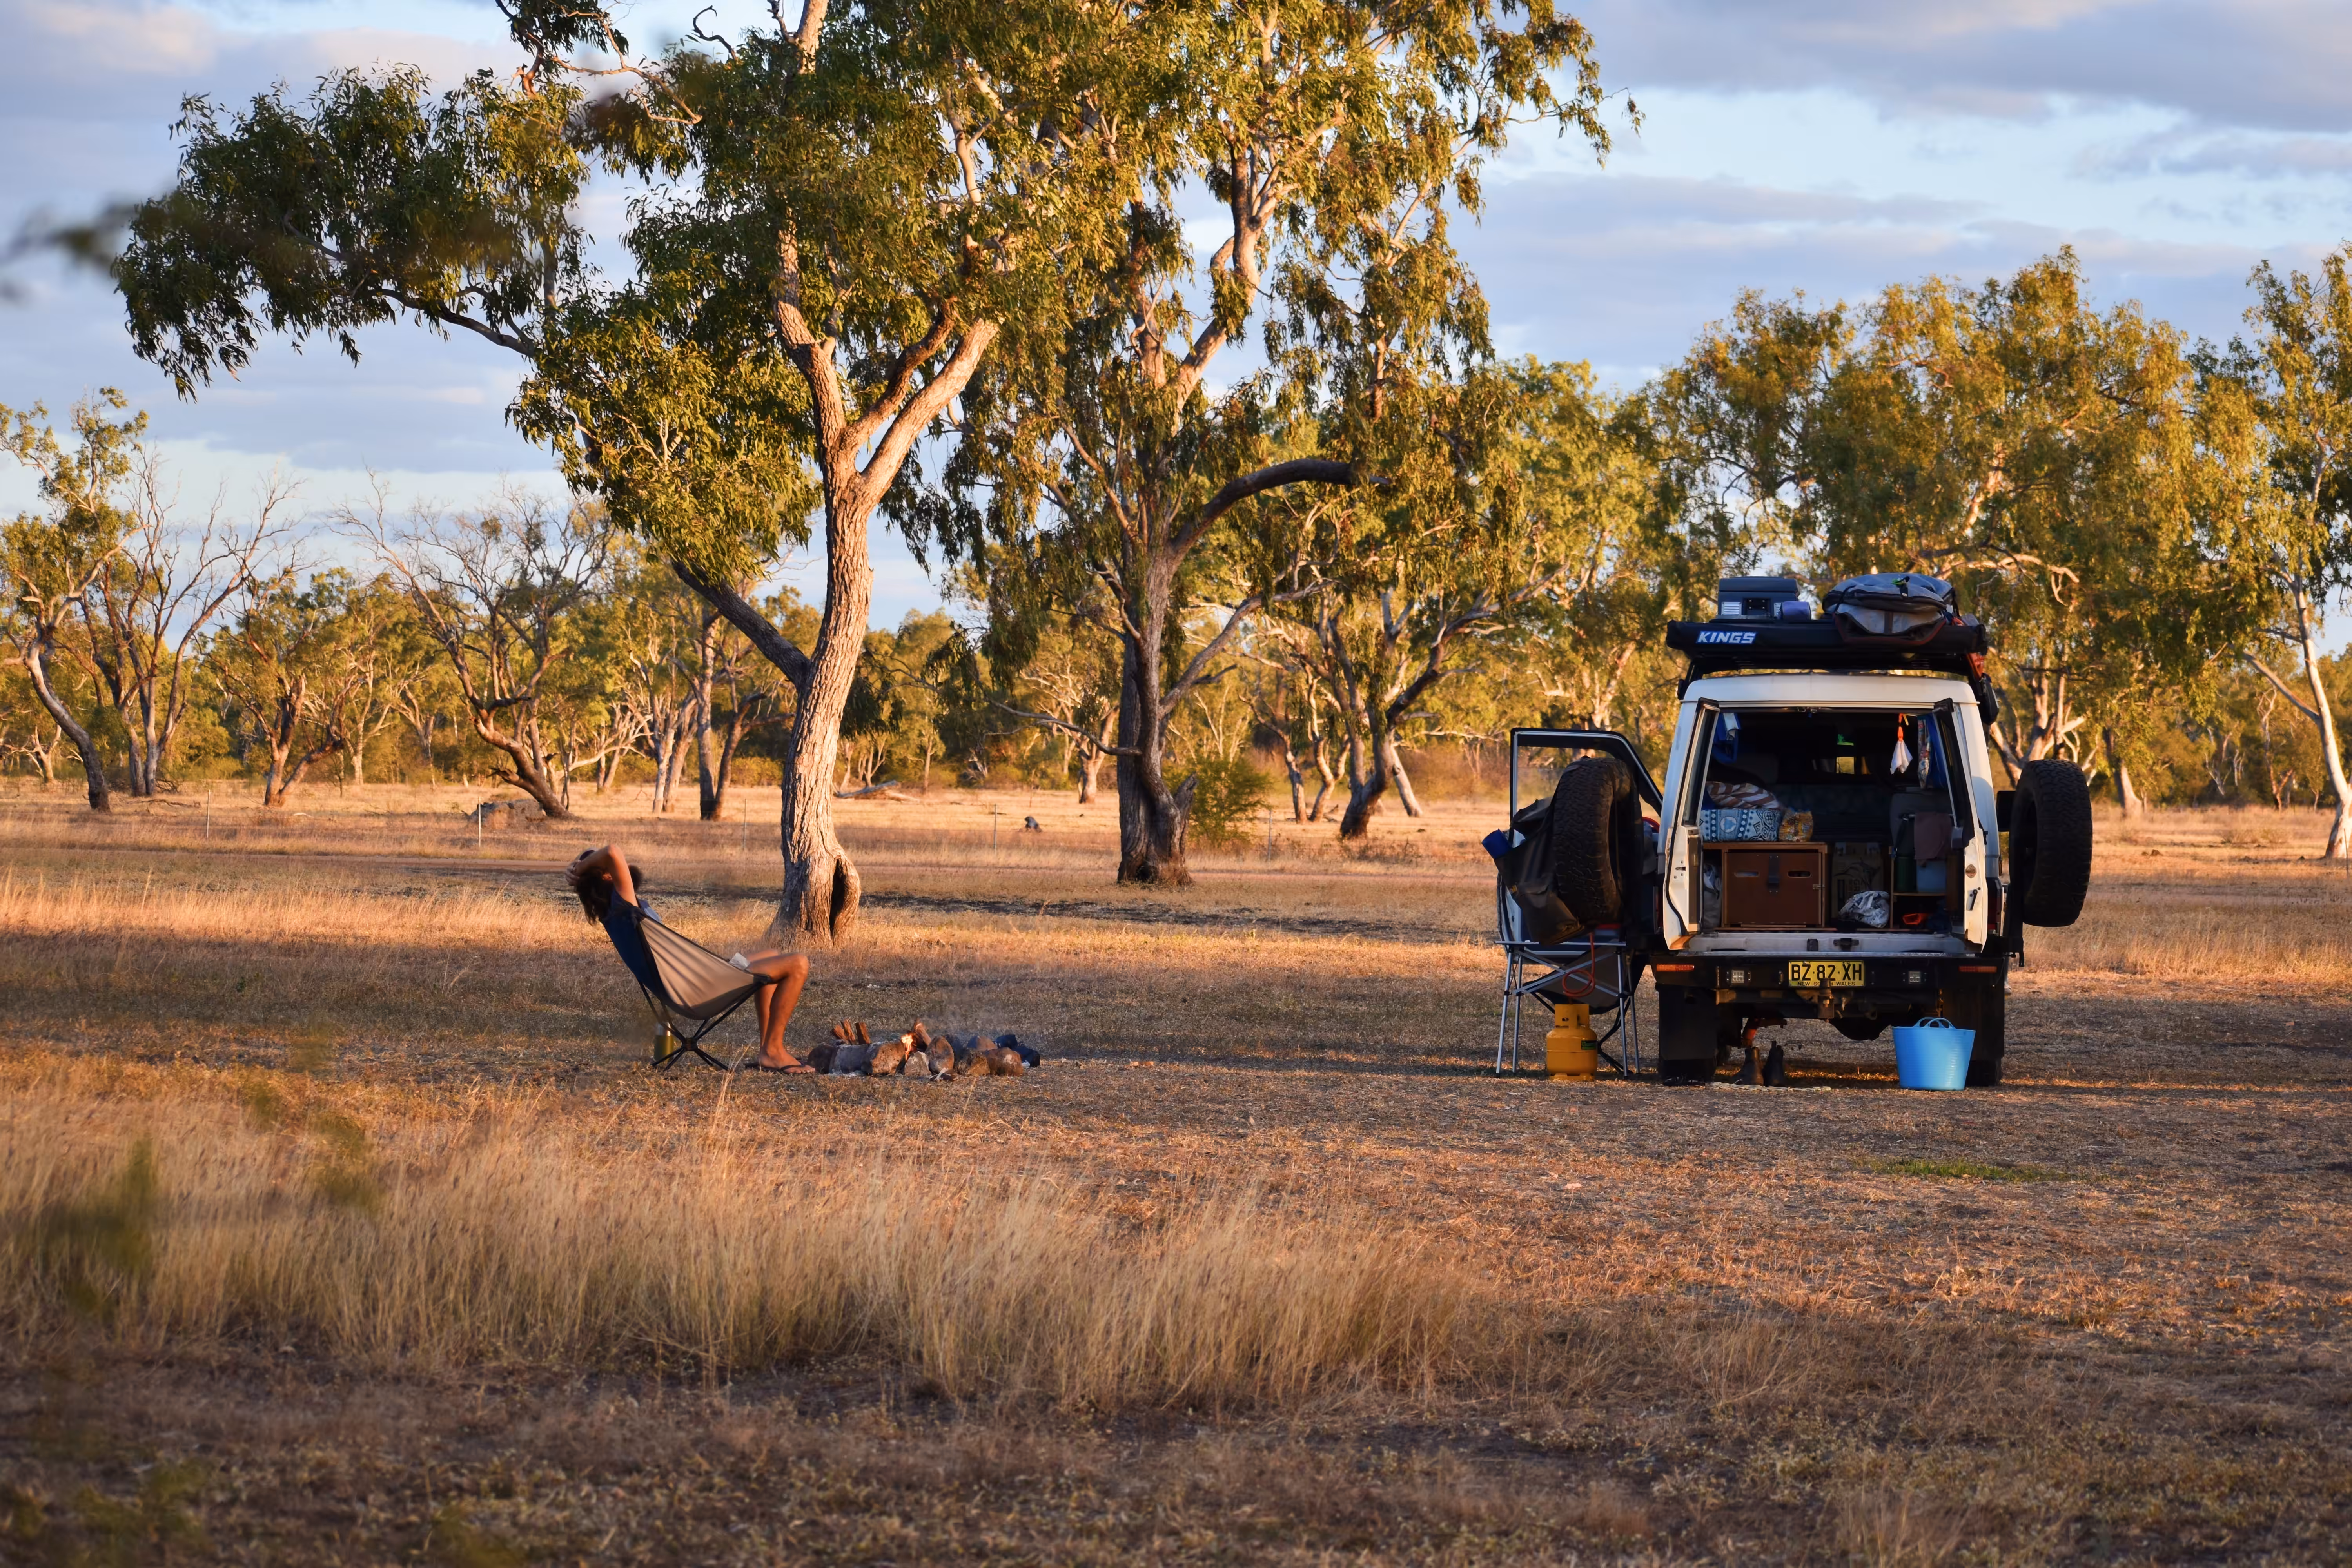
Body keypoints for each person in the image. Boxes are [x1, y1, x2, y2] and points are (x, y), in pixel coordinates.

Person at [565, 844, 813, 1073]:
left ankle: (767, 1050)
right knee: (798, 964)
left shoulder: (614, 915)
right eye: (606, 868)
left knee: (771, 956)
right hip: (699, 990)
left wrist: (582, 868)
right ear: (606, 876)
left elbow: (607, 857)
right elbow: (612, 852)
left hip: (693, 983)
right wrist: (581, 867)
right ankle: (773, 1051)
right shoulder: (623, 905)